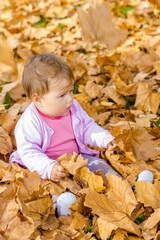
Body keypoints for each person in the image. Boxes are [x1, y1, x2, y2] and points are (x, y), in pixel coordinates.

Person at [9, 53, 120, 183]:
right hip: (47, 168)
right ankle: (64, 202)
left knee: (99, 166)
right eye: (62, 95)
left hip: (76, 158)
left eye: (71, 91)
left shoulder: (73, 108)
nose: (70, 98)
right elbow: (29, 152)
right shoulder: (30, 122)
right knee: (51, 186)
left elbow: (87, 127)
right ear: (38, 99)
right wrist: (48, 168)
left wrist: (103, 138)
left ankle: (125, 186)